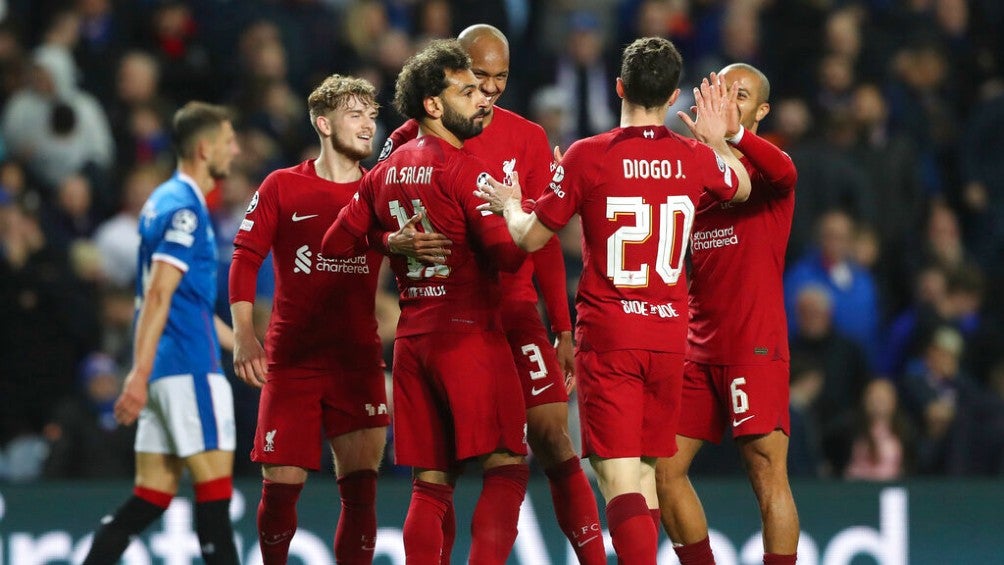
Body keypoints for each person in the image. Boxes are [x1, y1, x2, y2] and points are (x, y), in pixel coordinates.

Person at [475, 37, 751, 564]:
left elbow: (531, 237)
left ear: (619, 86)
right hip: (670, 337)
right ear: (673, 98)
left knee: (617, 474)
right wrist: (718, 140)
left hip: (612, 335)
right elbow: (738, 186)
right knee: (644, 475)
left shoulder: (587, 156)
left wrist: (513, 204)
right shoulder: (691, 157)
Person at [379, 24, 604, 564]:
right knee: (451, 469)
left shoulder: (524, 137)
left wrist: (564, 324)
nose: (491, 88)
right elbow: (376, 217)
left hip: (515, 311)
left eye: (500, 77)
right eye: (479, 77)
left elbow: (544, 243)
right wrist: (393, 245)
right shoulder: (412, 136)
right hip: (450, 317)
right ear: (453, 72)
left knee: (551, 434)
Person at [322, 39, 530, 564]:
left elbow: (332, 245)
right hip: (470, 337)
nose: (481, 98)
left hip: (414, 344)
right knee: (508, 466)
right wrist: (524, 208)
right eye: (465, 91)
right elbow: (509, 256)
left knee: (431, 485)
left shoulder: (383, 173)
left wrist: (389, 242)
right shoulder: (466, 171)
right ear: (433, 106)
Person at [228, 74, 390, 564]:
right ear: (323, 122)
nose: (368, 125)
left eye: (372, 115)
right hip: (293, 359)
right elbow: (244, 257)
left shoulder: (381, 191)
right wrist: (244, 336)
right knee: (280, 493)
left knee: (361, 494)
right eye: (354, 114)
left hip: (357, 360)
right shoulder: (282, 185)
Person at [654, 63, 800, 565]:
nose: (727, 102)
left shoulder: (768, 172)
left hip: (753, 346)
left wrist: (731, 136)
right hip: (698, 346)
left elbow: (787, 172)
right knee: (663, 470)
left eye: (740, 96)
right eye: (720, 92)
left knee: (766, 475)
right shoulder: (696, 173)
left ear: (760, 111)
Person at [82, 102, 240, 565]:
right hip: (187, 369)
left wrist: (246, 348)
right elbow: (158, 295)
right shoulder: (186, 210)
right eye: (228, 141)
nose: (235, 150)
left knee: (152, 495)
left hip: (165, 371)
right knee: (215, 497)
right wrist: (138, 370)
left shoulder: (161, 200)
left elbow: (184, 302)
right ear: (204, 148)